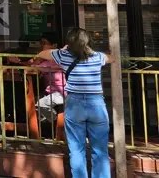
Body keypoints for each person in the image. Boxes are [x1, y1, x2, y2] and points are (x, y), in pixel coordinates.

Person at [34, 28, 113, 178]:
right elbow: (112, 58)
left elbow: (42, 54)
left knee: (76, 150)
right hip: (96, 104)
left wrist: (62, 49)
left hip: (75, 103)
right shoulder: (97, 57)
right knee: (100, 150)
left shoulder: (63, 56)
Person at [9, 32, 66, 122]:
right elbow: (30, 63)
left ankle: (55, 123)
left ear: (54, 45)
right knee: (32, 103)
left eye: (44, 43)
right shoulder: (46, 59)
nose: (40, 46)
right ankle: (51, 124)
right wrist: (18, 62)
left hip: (61, 93)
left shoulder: (54, 60)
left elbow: (33, 67)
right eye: (40, 43)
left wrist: (38, 58)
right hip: (51, 93)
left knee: (38, 104)